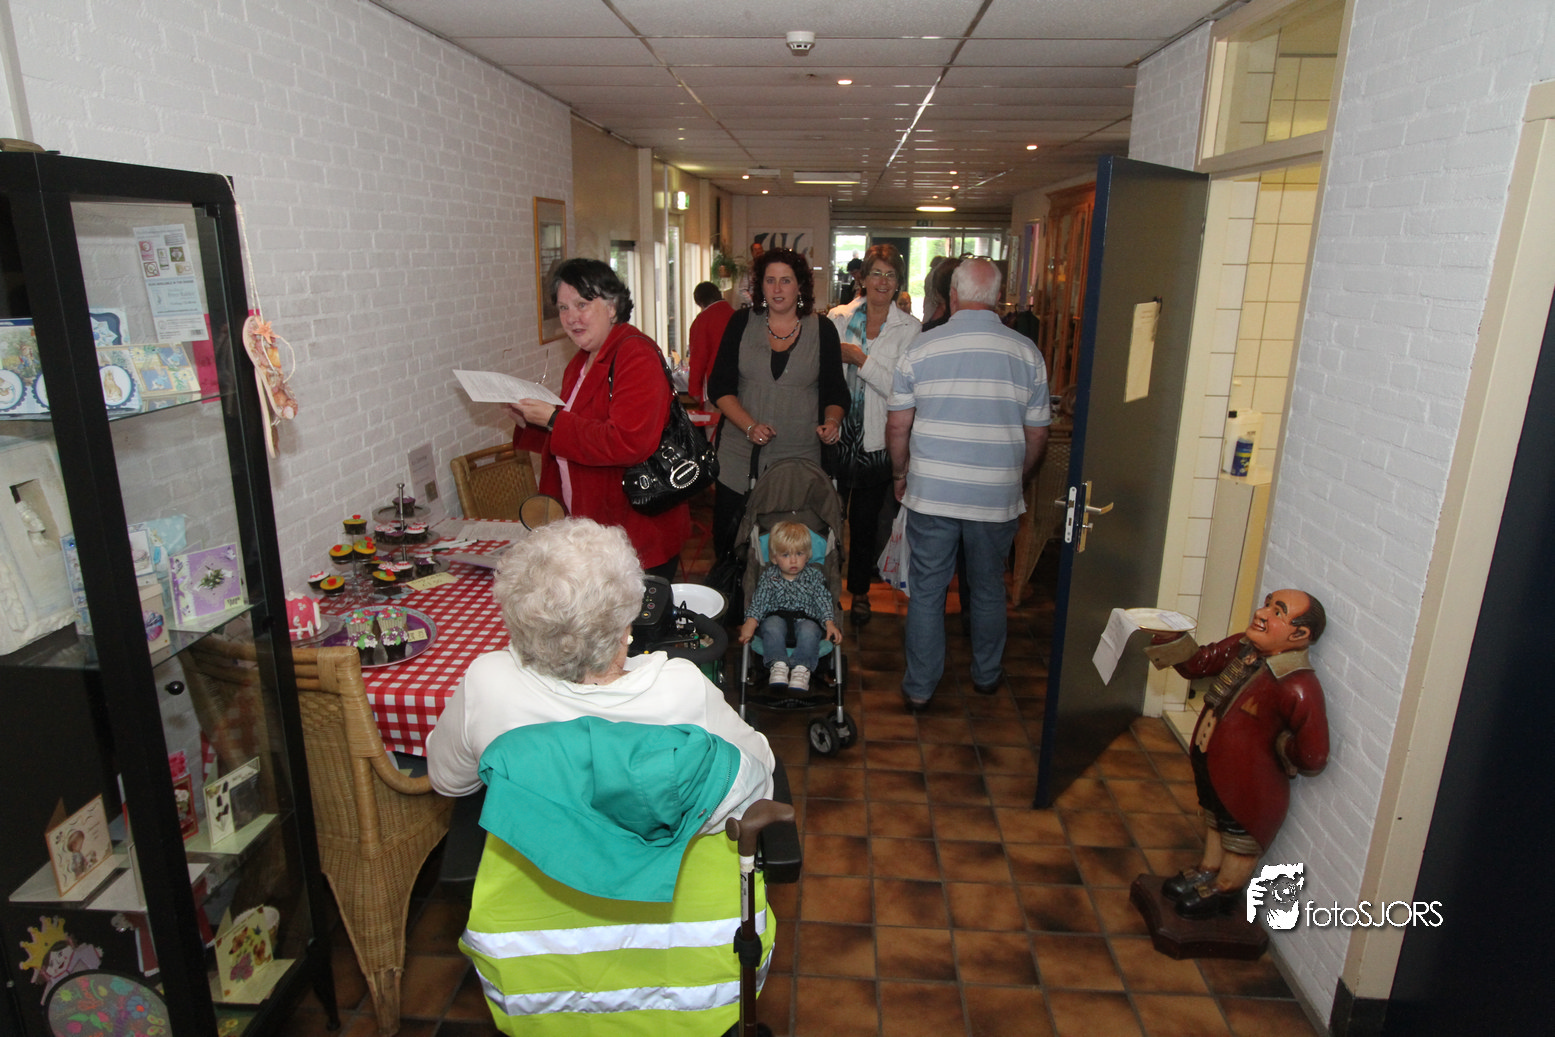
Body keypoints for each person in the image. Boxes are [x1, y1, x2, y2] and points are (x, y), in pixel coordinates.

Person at [426, 516, 774, 822]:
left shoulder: (488, 681)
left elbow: (449, 782)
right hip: (652, 866)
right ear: (625, 629)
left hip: (542, 859)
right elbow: (760, 769)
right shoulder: (681, 689)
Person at [886, 259, 1051, 711]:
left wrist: (900, 474)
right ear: (996, 298)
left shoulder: (921, 348)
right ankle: (987, 674)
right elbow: (1038, 434)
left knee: (928, 591)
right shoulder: (1027, 354)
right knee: (988, 586)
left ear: (953, 296)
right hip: (996, 496)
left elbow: (898, 426)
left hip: (932, 492)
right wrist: (1017, 476)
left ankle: (920, 687)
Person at [1143, 590, 1330, 919]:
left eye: (1277, 612)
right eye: (1267, 604)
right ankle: (1208, 869)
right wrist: (1170, 637)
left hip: (1248, 779)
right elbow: (1200, 662)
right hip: (1213, 763)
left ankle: (1226, 887)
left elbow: (1314, 754)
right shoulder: (1243, 648)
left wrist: (1281, 747)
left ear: (1299, 634)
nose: (1262, 613)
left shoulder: (1296, 684)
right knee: (1214, 816)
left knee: (1238, 831)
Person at [507, 258, 688, 582]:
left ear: (612, 306)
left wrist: (552, 419)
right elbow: (573, 436)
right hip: (591, 533)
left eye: (582, 304)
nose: (571, 317)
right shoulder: (580, 361)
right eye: (563, 308)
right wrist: (529, 422)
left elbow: (629, 441)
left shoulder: (635, 354)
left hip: (633, 537)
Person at [708, 247, 849, 560]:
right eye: (770, 280)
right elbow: (719, 387)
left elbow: (836, 393)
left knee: (791, 556)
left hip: (799, 466)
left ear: (800, 286)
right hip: (739, 462)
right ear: (761, 286)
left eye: (786, 280)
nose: (777, 288)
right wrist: (750, 426)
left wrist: (832, 422)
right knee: (732, 552)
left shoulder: (822, 329)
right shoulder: (741, 323)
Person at [828, 243, 921, 625]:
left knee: (865, 524)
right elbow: (823, 376)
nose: (883, 281)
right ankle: (826, 591)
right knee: (829, 521)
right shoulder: (837, 318)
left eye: (891, 275)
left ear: (898, 282)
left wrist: (860, 359)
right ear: (862, 278)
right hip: (835, 436)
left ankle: (860, 593)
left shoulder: (910, 329)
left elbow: (901, 390)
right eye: (876, 273)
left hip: (876, 441)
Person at [737, 520, 841, 694]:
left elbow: (823, 600)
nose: (793, 560)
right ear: (774, 558)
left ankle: (801, 668)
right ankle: (778, 664)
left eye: (799, 554)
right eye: (785, 555)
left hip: (806, 620)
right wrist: (751, 621)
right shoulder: (769, 577)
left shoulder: (814, 577)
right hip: (776, 620)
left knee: (810, 630)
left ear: (808, 555)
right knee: (771, 625)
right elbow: (759, 601)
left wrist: (829, 622)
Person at [686, 280, 734, 406]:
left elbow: (698, 358)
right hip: (738, 386)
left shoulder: (702, 321)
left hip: (714, 386)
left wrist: (694, 391)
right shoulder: (736, 315)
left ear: (700, 302)